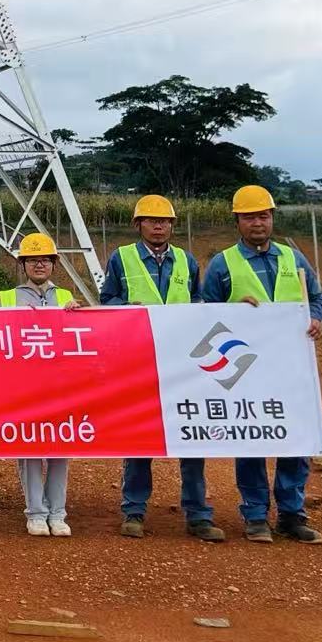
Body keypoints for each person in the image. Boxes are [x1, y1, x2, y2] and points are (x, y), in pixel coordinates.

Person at [201, 185, 322, 546]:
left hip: (292, 367)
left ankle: (291, 514)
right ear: (237, 221)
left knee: (296, 438)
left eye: (264, 216)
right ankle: (255, 515)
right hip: (246, 370)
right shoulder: (223, 264)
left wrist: (316, 317)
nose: (258, 223)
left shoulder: (293, 259)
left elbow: (317, 299)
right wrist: (233, 310)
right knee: (251, 438)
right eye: (250, 217)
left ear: (272, 218)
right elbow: (204, 313)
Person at [99, 194, 224, 543]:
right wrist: (127, 307)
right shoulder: (122, 258)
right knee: (140, 437)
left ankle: (198, 515)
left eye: (165, 221)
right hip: (139, 361)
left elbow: (198, 302)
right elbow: (107, 299)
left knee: (192, 439)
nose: (159, 226)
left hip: (183, 363)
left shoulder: (186, 260)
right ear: (138, 225)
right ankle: (134, 511)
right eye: (152, 221)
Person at [3, 233, 78, 537]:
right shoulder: (8, 298)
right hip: (25, 386)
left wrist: (78, 314)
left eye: (45, 259)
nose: (39, 264)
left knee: (60, 448)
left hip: (60, 385)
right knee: (30, 450)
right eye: (32, 260)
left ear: (53, 264)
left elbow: (81, 337)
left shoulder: (66, 296)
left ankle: (58, 513)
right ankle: (35, 513)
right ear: (23, 264)